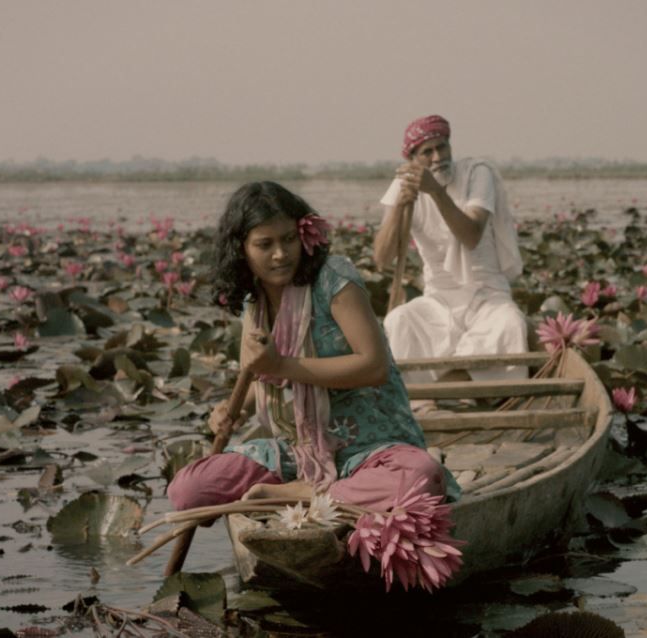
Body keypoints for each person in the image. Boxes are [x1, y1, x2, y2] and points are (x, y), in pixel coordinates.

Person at [167, 181, 458, 515]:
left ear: (303, 235)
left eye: (289, 239)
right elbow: (262, 373)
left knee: (422, 477)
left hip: (372, 446)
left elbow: (374, 367)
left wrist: (281, 366)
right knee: (186, 490)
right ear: (242, 249)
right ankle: (315, 490)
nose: (281, 254)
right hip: (301, 450)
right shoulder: (254, 300)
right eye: (265, 244)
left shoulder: (333, 278)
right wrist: (233, 410)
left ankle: (305, 495)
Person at [373, 115, 529, 404]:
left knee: (510, 324)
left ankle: (446, 396)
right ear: (413, 160)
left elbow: (470, 235)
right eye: (427, 152)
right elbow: (382, 258)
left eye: (442, 147)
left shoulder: (476, 173)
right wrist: (399, 206)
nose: (437, 157)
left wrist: (434, 191)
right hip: (439, 300)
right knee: (399, 320)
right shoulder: (405, 182)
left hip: (487, 295)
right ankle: (430, 402)